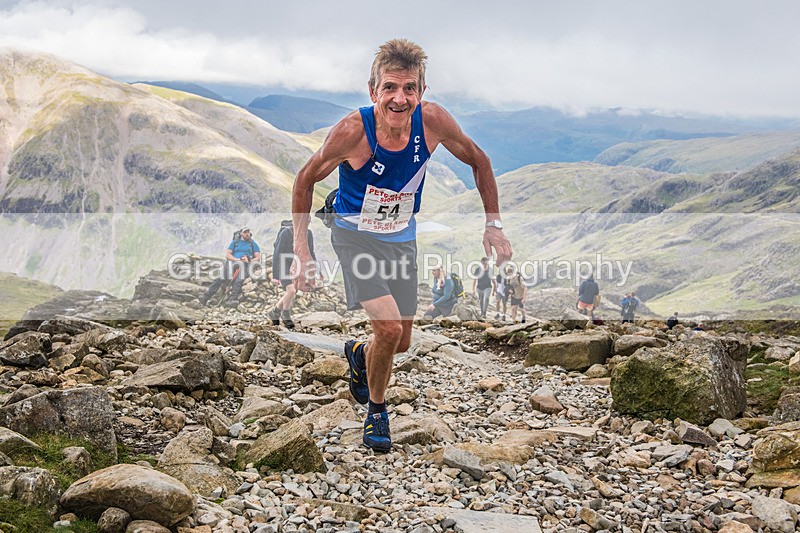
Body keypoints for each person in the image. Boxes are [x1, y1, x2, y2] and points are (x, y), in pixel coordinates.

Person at [290, 39, 512, 453]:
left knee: (401, 340)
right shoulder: (353, 131)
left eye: (409, 88)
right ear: (373, 90)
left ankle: (359, 352)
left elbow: (479, 160)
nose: (400, 98)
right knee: (389, 328)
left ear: (421, 92)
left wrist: (494, 225)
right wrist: (303, 253)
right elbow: (304, 180)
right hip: (353, 234)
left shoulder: (432, 122)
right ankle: (376, 410)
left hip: (401, 237)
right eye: (390, 87)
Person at [268, 220, 316, 329]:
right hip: (282, 263)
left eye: (308, 221)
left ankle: (275, 312)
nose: (306, 223)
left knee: (292, 291)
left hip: (294, 264)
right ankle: (286, 315)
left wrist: (316, 270)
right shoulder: (286, 232)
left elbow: (311, 252)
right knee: (291, 291)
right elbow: (277, 252)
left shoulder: (308, 233)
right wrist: (275, 275)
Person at [199, 227, 261, 307]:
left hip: (245, 265)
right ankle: (206, 297)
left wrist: (249, 260)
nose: (247, 233)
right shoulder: (235, 242)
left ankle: (233, 299)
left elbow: (258, 257)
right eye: (245, 232)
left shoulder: (252, 243)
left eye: (248, 231)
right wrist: (237, 259)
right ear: (241, 233)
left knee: (239, 279)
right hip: (232, 263)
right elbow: (228, 255)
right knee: (221, 277)